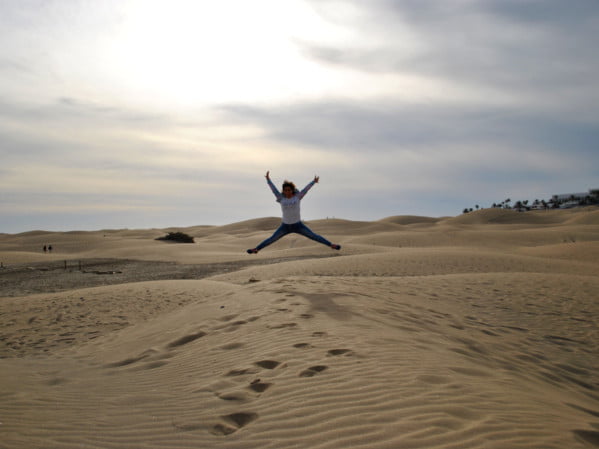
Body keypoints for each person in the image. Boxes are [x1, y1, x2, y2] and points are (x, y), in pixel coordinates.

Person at [247, 171, 341, 254]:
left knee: (313, 236)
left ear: (292, 190)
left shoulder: (298, 197)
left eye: (289, 190)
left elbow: (306, 189)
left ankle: (331, 245)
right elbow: (273, 190)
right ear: (283, 191)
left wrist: (313, 182)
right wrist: (268, 180)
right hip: (285, 226)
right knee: (272, 239)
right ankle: (256, 249)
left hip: (298, 225)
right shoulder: (281, 198)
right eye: (285, 190)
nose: (287, 192)